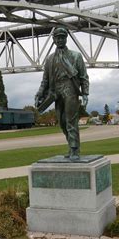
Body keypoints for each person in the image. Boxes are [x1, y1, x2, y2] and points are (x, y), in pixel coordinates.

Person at [35, 26, 89, 161]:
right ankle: (71, 147)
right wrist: (39, 93)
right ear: (53, 39)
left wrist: (85, 93)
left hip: (70, 88)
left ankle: (75, 149)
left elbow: (83, 76)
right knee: (62, 122)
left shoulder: (76, 56)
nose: (59, 40)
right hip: (55, 92)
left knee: (71, 121)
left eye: (62, 37)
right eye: (57, 38)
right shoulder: (50, 59)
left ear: (66, 38)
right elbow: (45, 80)